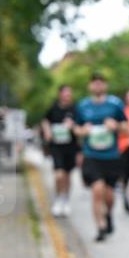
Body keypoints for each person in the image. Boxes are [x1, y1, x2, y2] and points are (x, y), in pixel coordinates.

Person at [74, 73, 127, 242]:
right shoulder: (83, 105)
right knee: (97, 190)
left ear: (105, 85)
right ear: (90, 86)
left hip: (111, 156)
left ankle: (108, 214)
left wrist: (116, 126)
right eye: (94, 83)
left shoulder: (115, 104)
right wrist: (83, 131)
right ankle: (100, 227)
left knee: (109, 195)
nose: (97, 86)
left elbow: (127, 128)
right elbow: (76, 128)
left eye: (100, 83)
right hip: (92, 155)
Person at [42, 85, 79, 217]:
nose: (67, 95)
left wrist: (72, 126)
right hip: (57, 147)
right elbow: (45, 121)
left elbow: (80, 126)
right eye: (65, 93)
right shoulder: (53, 108)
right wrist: (47, 131)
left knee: (68, 175)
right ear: (60, 94)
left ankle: (66, 200)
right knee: (59, 174)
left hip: (71, 147)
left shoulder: (75, 109)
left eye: (69, 93)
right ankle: (59, 198)